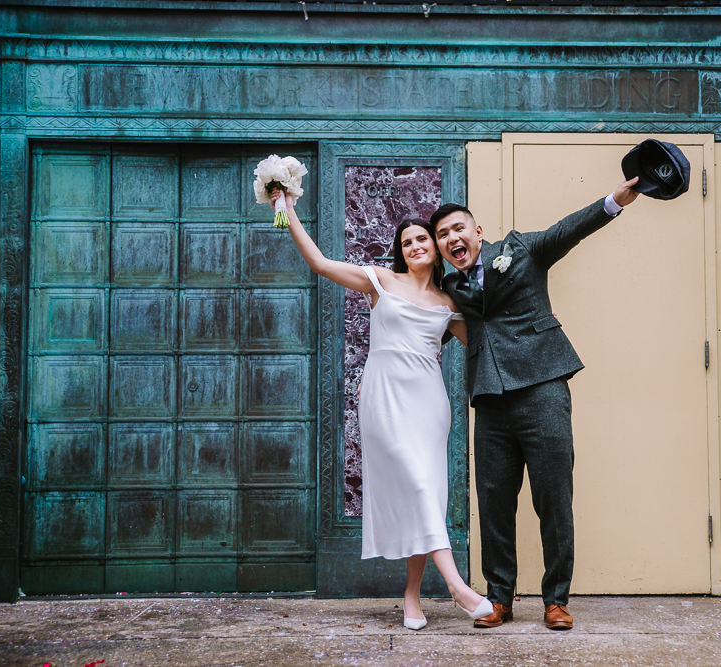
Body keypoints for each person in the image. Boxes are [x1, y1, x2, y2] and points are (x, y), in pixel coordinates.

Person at [271, 189, 492, 630]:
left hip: (428, 403)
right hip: (383, 398)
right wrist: (287, 211)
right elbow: (319, 263)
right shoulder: (380, 281)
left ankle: (412, 596)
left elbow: (483, 348)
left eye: (423, 240)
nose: (415, 247)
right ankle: (457, 587)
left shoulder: (451, 304)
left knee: (424, 492)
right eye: (407, 242)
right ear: (401, 252)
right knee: (414, 483)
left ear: (436, 248)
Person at [431, 176, 640, 631]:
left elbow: (569, 229)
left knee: (553, 498)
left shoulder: (520, 248)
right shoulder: (449, 286)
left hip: (543, 387)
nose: (452, 239)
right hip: (489, 399)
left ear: (478, 231)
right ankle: (499, 599)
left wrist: (614, 201)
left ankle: (556, 600)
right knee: (494, 503)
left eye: (457, 229)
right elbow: (420, 324)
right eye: (442, 235)